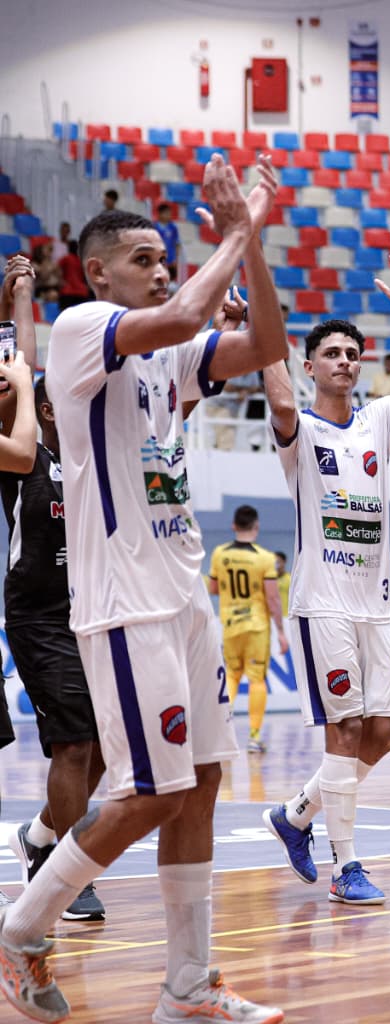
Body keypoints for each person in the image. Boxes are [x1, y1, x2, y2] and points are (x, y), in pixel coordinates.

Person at [0, 153, 286, 1023]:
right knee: (150, 791)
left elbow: (266, 346)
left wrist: (253, 241)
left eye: (167, 258)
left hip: (184, 598)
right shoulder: (83, 327)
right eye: (144, 259)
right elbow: (189, 310)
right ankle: (21, 931)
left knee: (200, 784)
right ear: (97, 273)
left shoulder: (169, 357)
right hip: (124, 605)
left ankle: (187, 986)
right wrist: (237, 227)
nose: (162, 270)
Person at [261, 248, 390, 906]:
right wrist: (264, 334)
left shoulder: (379, 420)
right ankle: (347, 866)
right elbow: (278, 396)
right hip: (323, 604)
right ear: (311, 366)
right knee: (344, 733)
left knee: (383, 735)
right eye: (332, 354)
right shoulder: (299, 428)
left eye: (352, 353)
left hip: (376, 606)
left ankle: (295, 816)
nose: (345, 361)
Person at [1, 257, 109, 923]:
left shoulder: (98, 459)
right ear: (44, 408)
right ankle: (71, 876)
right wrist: (20, 296)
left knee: (103, 750)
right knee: (72, 746)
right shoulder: (25, 457)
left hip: (95, 612)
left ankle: (41, 837)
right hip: (39, 616)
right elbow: (20, 368)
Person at [207, 505, 287, 754]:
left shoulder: (219, 553)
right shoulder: (265, 558)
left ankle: (222, 734)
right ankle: (254, 737)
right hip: (256, 626)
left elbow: (212, 588)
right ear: (256, 527)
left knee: (231, 676)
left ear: (233, 525)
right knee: (256, 680)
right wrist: (281, 632)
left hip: (230, 624)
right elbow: (273, 599)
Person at [56, 241, 91, 310]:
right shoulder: (81, 260)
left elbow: (56, 268)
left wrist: (60, 280)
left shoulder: (66, 258)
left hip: (68, 291)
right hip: (82, 292)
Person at [155, 203, 181, 282]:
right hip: (158, 257)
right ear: (160, 214)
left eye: (169, 213)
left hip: (170, 258)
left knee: (171, 279)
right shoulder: (154, 227)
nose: (169, 215)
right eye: (166, 213)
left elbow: (177, 243)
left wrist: (176, 258)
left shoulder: (173, 227)